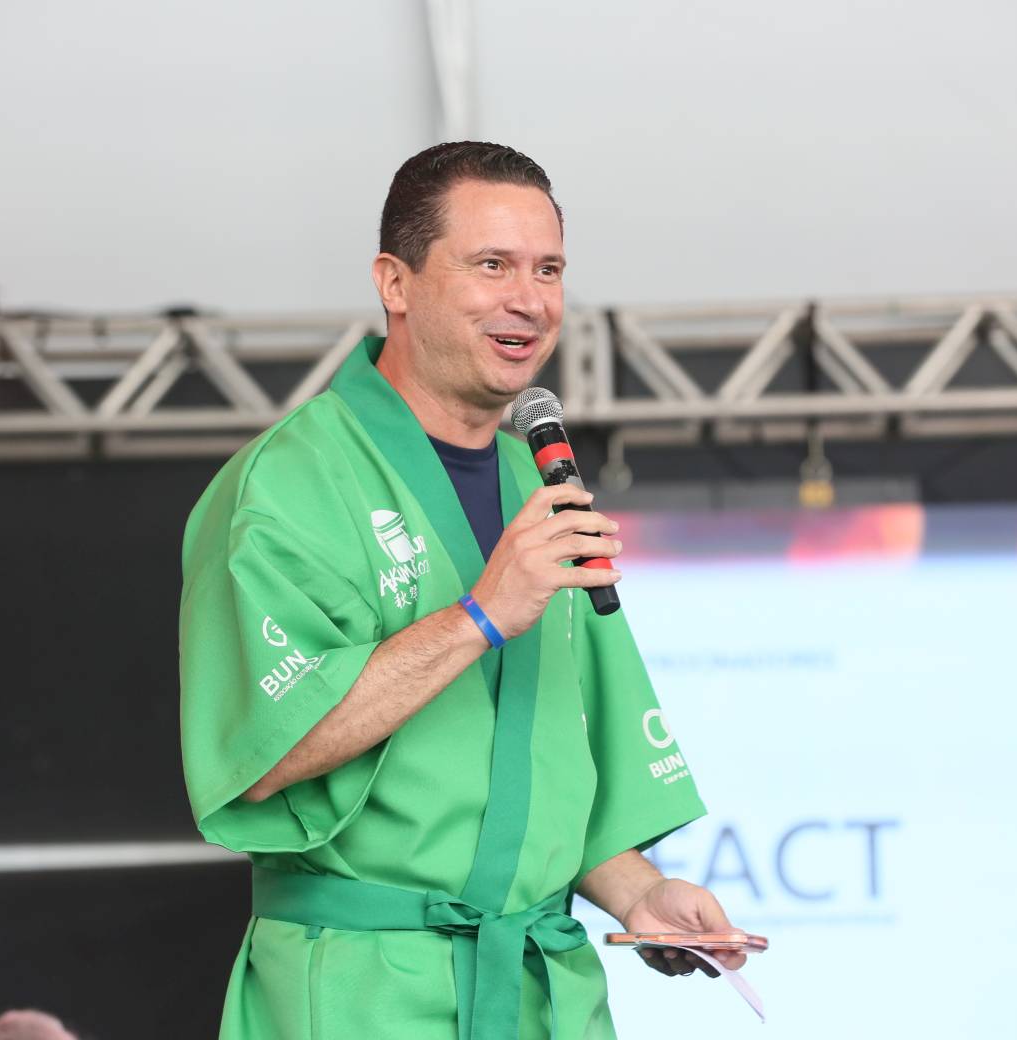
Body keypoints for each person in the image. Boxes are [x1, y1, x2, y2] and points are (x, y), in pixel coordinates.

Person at [179, 141, 743, 1040]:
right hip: (367, 989)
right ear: (394, 282)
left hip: (540, 987)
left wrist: (641, 894)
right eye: (492, 265)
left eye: (548, 269)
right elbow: (266, 749)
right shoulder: (288, 483)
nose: (529, 299)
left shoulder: (538, 482)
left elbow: (550, 765)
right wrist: (480, 616)